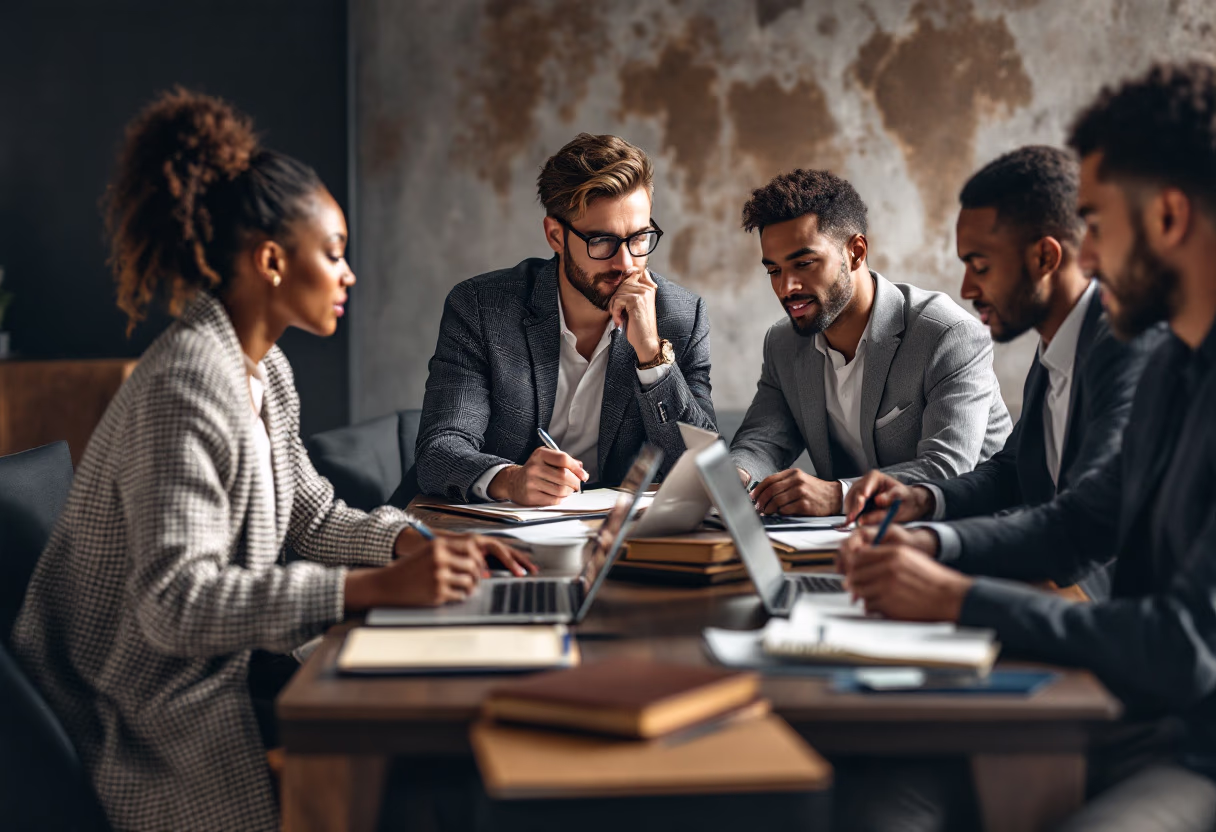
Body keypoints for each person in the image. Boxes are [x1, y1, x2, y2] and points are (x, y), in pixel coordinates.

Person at [11, 89, 530, 832]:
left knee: (432, 755)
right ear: (272, 260)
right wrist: (370, 590)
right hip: (137, 710)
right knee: (413, 776)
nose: (348, 273)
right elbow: (175, 603)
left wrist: (418, 543)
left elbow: (309, 515)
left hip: (222, 670)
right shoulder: (187, 384)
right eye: (334, 252)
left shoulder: (264, 371)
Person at [839, 62, 1216, 830]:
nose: (1090, 254)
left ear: (1170, 218)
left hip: (1192, 747)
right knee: (873, 794)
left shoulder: (1146, 353)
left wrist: (959, 596)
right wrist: (929, 544)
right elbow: (1079, 520)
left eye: (1100, 225)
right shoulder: (1177, 361)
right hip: (1129, 706)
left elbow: (1186, 646)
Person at [843, 146, 1162, 599]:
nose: (968, 288)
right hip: (1060, 596)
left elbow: (1086, 524)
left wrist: (935, 544)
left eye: (981, 265)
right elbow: (1013, 471)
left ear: (1044, 259)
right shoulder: (1056, 343)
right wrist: (923, 500)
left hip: (1122, 623)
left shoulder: (1130, 344)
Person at [415, 133, 716, 506]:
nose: (625, 263)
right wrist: (511, 480)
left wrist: (652, 356)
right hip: (499, 535)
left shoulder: (681, 317)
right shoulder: (482, 308)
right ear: (556, 236)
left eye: (639, 238)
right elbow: (440, 450)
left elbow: (704, 472)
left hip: (620, 540)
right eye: (602, 241)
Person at [729, 169, 1011, 517]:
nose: (786, 287)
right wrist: (734, 478)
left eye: (804, 263)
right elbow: (762, 441)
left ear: (856, 252)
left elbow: (947, 469)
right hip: (855, 541)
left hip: (969, 533)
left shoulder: (946, 334)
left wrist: (840, 496)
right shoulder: (783, 343)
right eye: (774, 270)